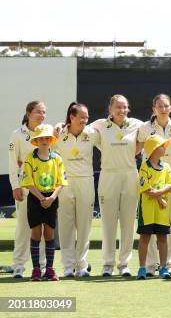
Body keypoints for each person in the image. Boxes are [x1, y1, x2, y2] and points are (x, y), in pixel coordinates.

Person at [91, 95, 143, 277]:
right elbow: (80, 130)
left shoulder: (137, 124)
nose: (122, 111)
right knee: (108, 223)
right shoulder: (99, 125)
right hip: (108, 176)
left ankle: (124, 264)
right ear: (110, 109)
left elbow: (151, 131)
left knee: (128, 223)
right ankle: (107, 264)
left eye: (125, 107)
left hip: (130, 175)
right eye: (118, 107)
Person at [137, 94, 171, 277]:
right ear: (154, 109)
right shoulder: (144, 127)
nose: (163, 109)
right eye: (159, 106)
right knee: (149, 222)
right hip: (149, 177)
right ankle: (150, 265)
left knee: (170, 221)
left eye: (166, 105)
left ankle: (169, 264)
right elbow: (136, 146)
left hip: (169, 175)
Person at [55, 102, 99, 278]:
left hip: (86, 182)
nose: (85, 120)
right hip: (65, 183)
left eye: (87, 117)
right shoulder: (58, 133)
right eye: (81, 117)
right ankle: (67, 265)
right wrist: (58, 125)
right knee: (66, 225)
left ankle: (81, 265)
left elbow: (107, 126)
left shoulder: (92, 133)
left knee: (84, 225)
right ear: (71, 117)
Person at [20, 124, 67, 281]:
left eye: (47, 138)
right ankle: (35, 270)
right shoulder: (29, 158)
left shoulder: (57, 159)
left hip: (52, 198)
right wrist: (41, 198)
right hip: (35, 198)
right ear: (36, 141)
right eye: (41, 138)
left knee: (49, 233)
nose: (44, 141)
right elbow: (27, 182)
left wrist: (52, 198)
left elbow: (61, 182)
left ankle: (50, 269)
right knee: (36, 233)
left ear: (52, 140)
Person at [8, 101, 48, 278]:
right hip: (25, 188)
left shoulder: (47, 132)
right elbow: (12, 162)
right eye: (38, 112)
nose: (42, 115)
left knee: (43, 228)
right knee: (24, 227)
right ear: (29, 114)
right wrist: (15, 186)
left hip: (44, 188)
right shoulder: (17, 135)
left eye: (44, 112)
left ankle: (42, 266)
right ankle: (18, 265)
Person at [136, 135, 171, 280]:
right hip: (147, 210)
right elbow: (145, 187)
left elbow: (170, 185)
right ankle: (142, 268)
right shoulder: (144, 167)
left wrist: (158, 194)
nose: (164, 148)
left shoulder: (166, 167)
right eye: (161, 146)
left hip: (162, 212)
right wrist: (159, 198)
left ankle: (164, 267)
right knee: (145, 238)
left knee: (162, 238)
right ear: (153, 149)